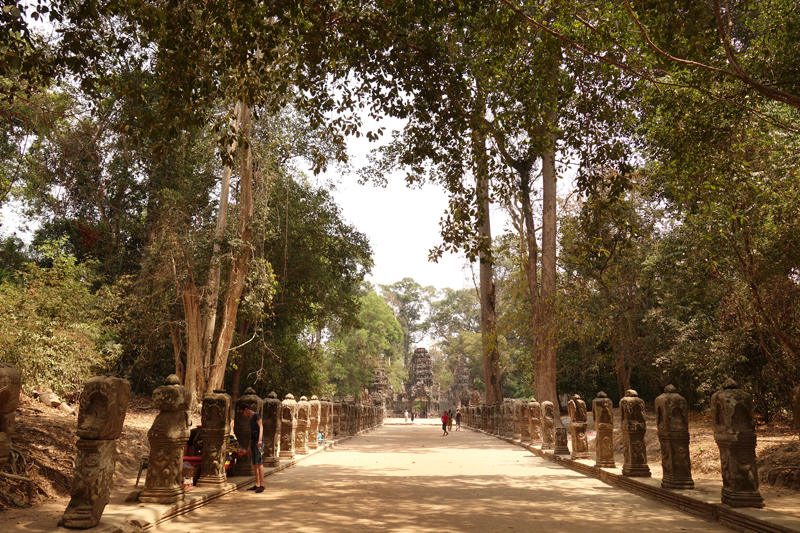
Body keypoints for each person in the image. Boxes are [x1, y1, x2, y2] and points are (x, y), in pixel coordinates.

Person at [238, 404, 264, 493]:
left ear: (246, 409)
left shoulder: (256, 415)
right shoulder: (250, 420)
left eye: (242, 413)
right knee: (255, 463)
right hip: (253, 442)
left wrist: (260, 440)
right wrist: (249, 447)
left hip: (258, 442)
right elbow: (251, 434)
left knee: (259, 463)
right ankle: (257, 484)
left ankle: (262, 484)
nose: (242, 415)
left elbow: (261, 427)